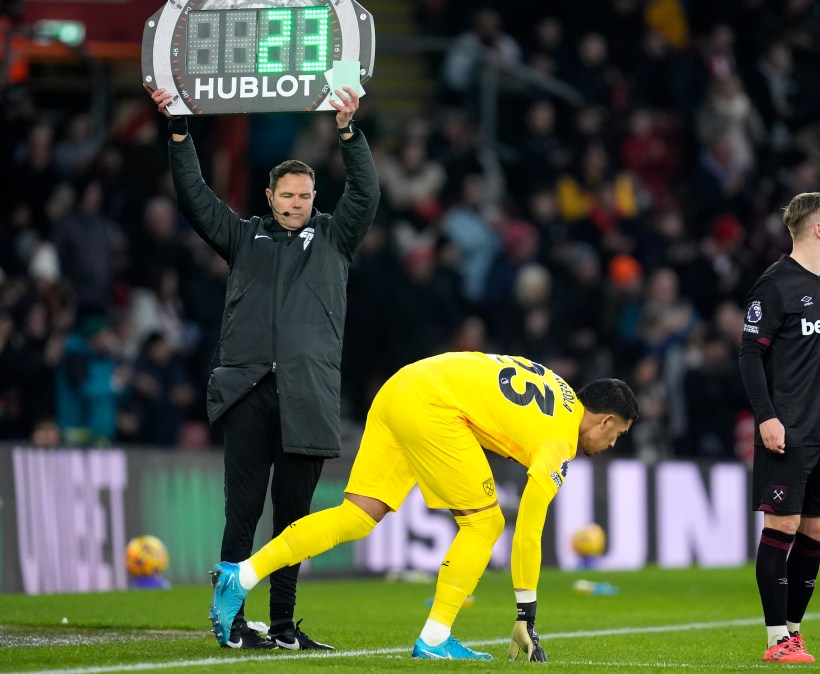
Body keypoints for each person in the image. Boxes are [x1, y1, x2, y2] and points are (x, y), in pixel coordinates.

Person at [145, 83, 380, 650]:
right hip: (249, 390)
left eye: (304, 195)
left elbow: (367, 193)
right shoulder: (243, 236)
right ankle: (230, 620)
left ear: (314, 196)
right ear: (270, 196)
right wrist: (179, 131)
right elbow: (195, 197)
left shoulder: (335, 237)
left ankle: (281, 627)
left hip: (308, 395)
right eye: (287, 195)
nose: (296, 203)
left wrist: (349, 132)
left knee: (296, 521)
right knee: (243, 512)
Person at [208, 351, 638, 660]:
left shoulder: (557, 388)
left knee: (358, 516)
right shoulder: (560, 442)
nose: (610, 444)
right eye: (615, 435)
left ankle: (240, 575)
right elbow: (529, 528)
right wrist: (526, 615)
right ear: (603, 420)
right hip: (434, 407)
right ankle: (435, 638)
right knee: (486, 524)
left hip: (401, 386)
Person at [738, 192, 820, 663]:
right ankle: (777, 639)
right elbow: (750, 353)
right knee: (784, 524)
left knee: (817, 530)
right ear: (816, 227)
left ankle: (794, 633)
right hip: (789, 429)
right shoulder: (774, 286)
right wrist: (767, 416)